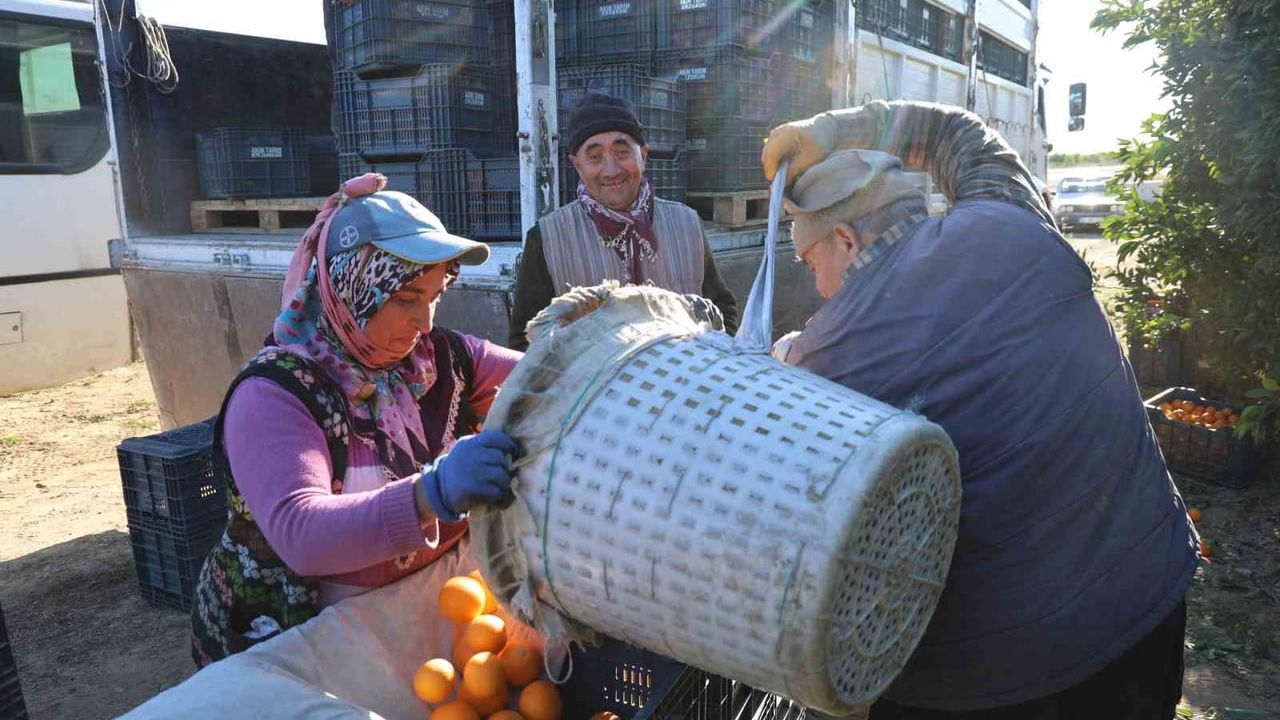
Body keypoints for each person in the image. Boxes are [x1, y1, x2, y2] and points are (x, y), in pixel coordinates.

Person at [761, 101, 1198, 719]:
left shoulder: (827, 358)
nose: (820, 289)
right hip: (1141, 608)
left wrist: (790, 359)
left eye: (811, 265)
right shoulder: (1009, 217)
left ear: (844, 238)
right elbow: (957, 133)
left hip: (982, 682)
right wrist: (832, 129)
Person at [190, 175, 523, 667]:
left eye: (435, 295)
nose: (425, 321)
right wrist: (433, 493)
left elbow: (543, 376)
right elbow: (303, 533)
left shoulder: (439, 358)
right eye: (406, 299)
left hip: (402, 621)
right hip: (288, 645)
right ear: (351, 289)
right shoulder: (275, 392)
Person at [508, 93, 739, 350]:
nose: (612, 170)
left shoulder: (687, 224)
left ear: (644, 154)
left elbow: (722, 310)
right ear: (577, 166)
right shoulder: (547, 239)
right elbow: (524, 342)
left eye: (622, 152)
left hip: (680, 385)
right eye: (595, 157)